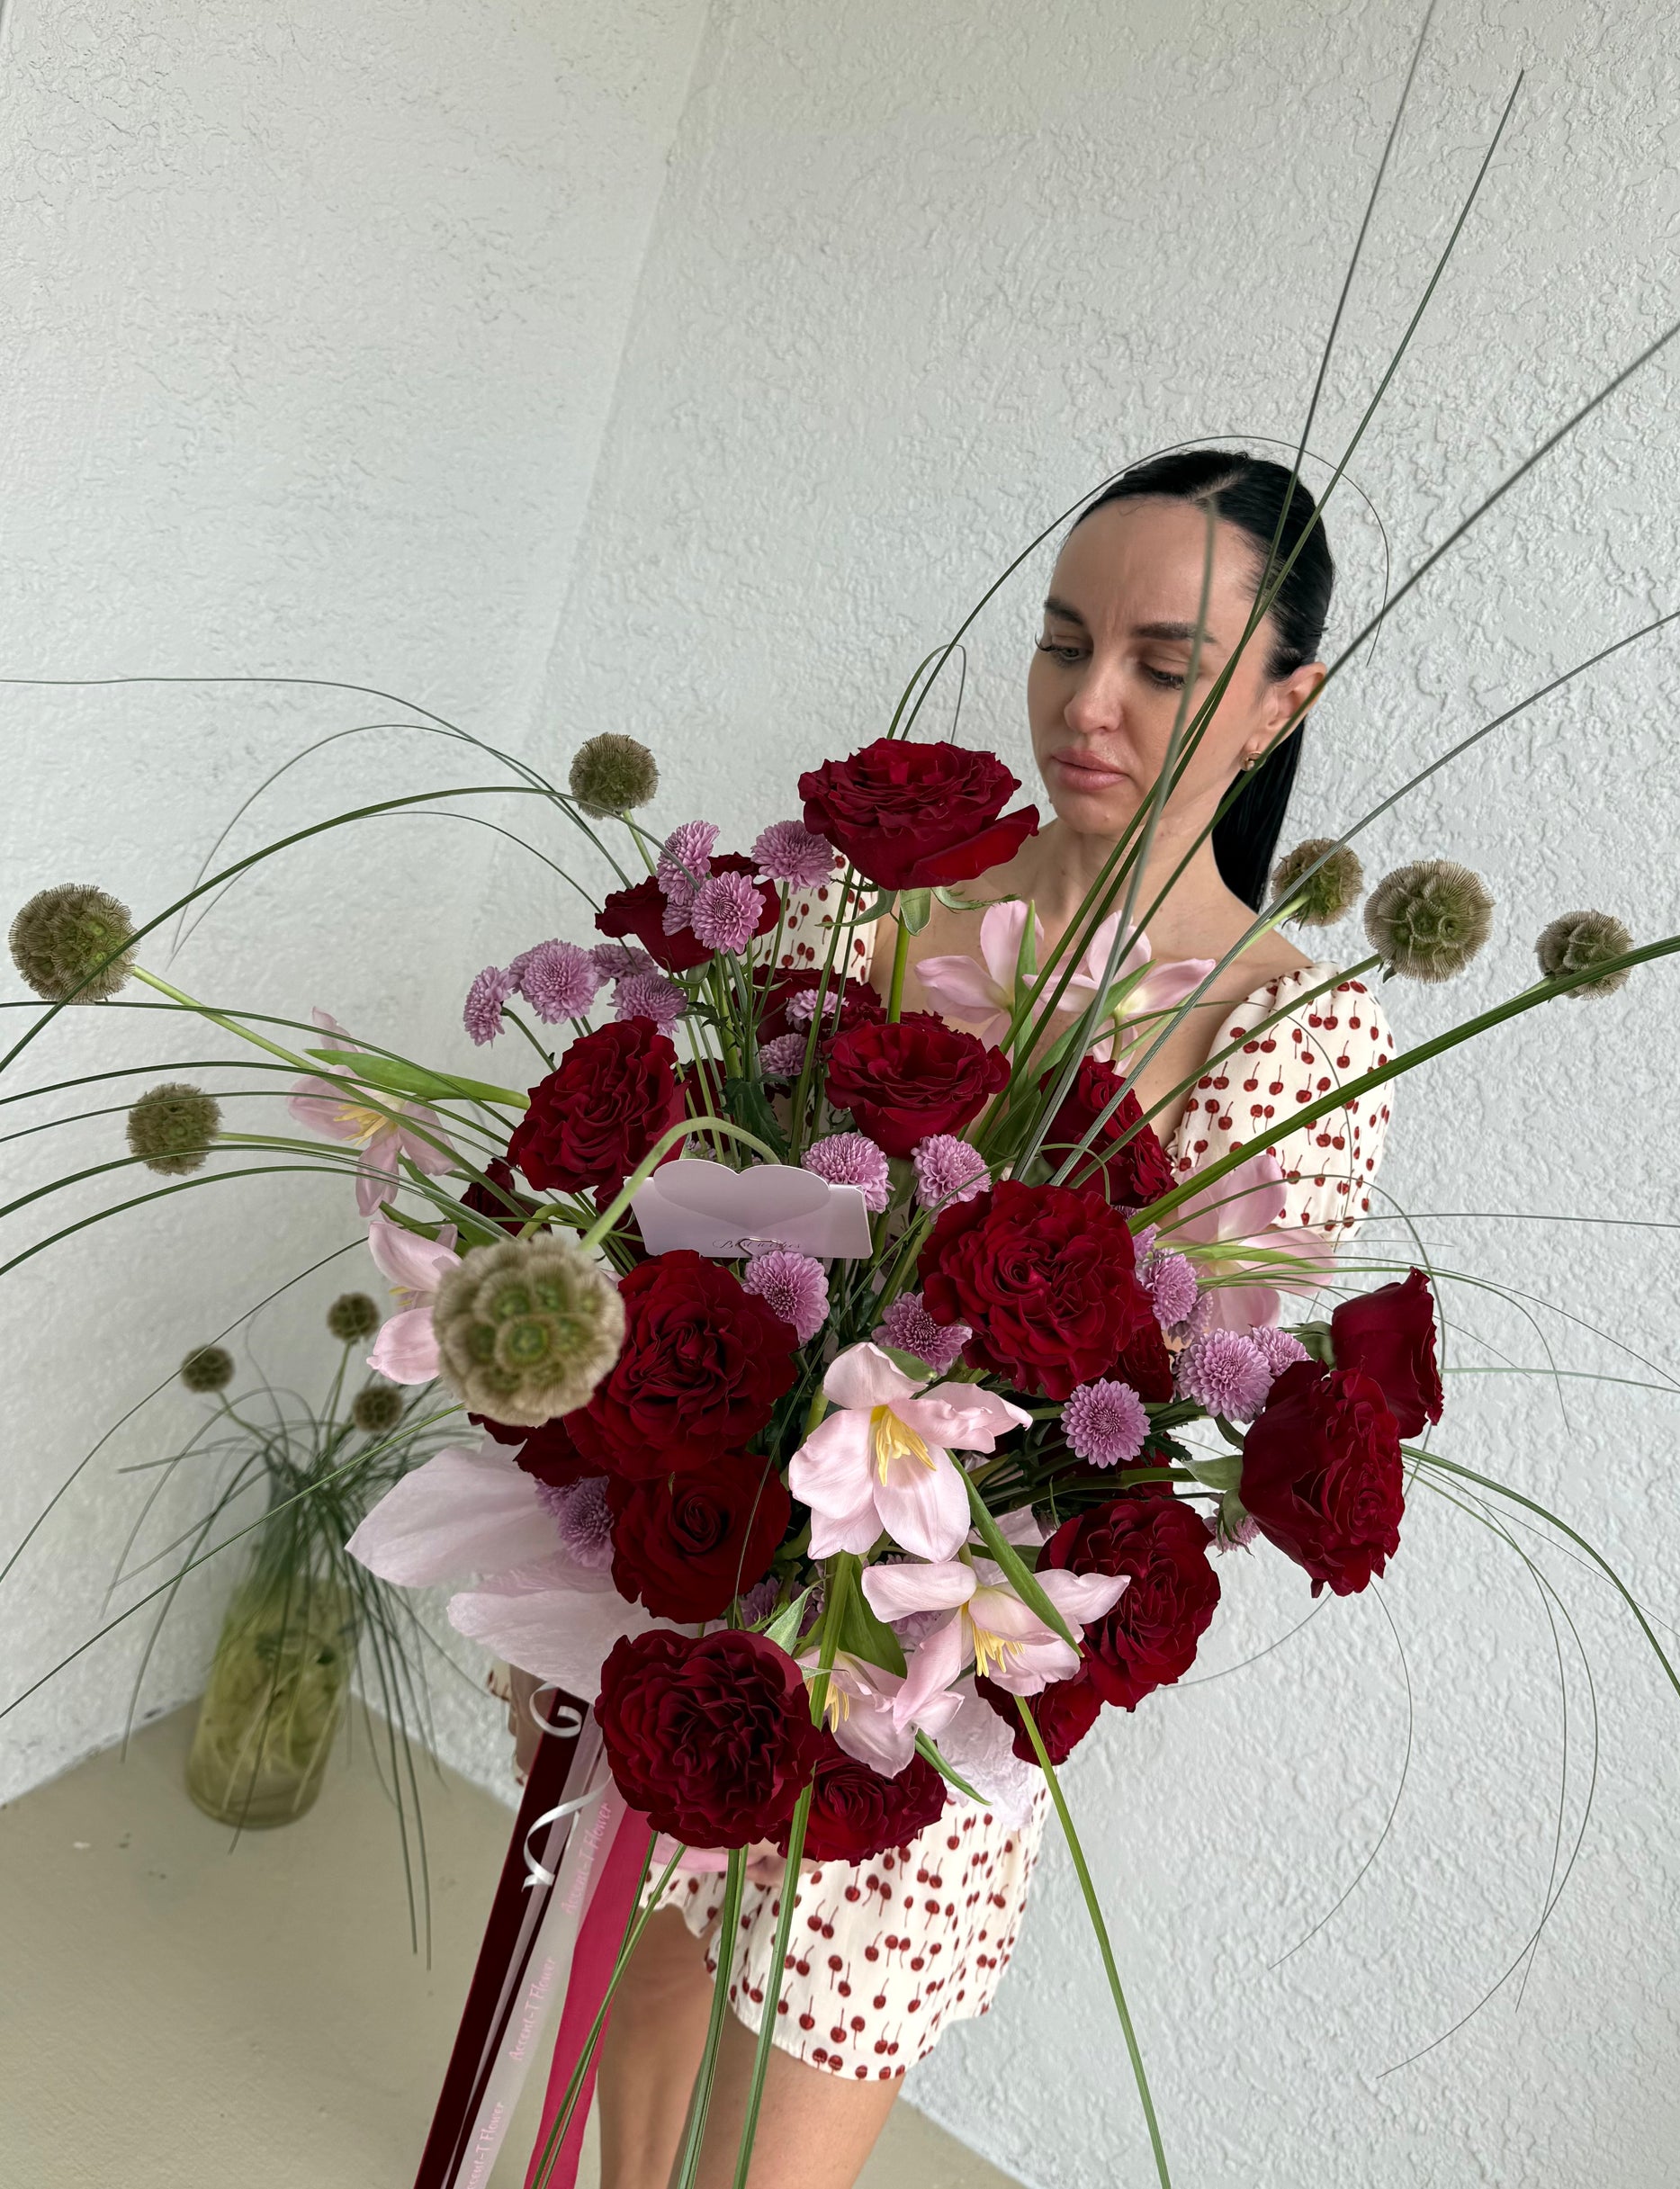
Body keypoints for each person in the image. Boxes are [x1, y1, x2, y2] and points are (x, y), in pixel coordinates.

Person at [508, 450, 1394, 2189]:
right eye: (1064, 645)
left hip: (936, 1648)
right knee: (644, 1984)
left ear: (1284, 699)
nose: (1089, 705)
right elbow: (729, 1205)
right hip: (722, 1553)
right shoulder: (890, 897)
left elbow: (1168, 1389)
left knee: (806, 2074)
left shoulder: (1295, 1037)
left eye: (1164, 663)